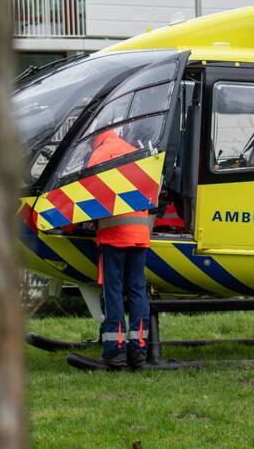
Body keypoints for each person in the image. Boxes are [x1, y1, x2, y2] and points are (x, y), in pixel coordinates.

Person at [89, 127, 152, 370]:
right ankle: (138, 351)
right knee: (137, 290)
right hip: (140, 234)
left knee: (113, 291)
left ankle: (115, 351)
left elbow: (89, 198)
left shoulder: (98, 155)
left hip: (114, 235)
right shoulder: (134, 151)